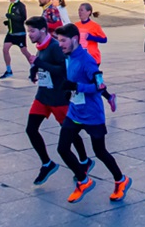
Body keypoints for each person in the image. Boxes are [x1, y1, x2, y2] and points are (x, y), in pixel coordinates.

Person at [54, 24, 132, 204]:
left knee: (100, 151)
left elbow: (100, 86)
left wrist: (76, 87)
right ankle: (83, 181)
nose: (60, 45)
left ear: (74, 39)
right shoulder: (69, 57)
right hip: (74, 112)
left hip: (92, 115)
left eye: (63, 41)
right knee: (62, 148)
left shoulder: (87, 60)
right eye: (59, 41)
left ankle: (121, 180)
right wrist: (70, 91)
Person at [23, 16, 93, 186]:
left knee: (70, 132)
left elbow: (62, 70)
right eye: (28, 31)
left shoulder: (55, 47)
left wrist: (40, 63)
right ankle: (47, 163)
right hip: (43, 96)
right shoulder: (41, 46)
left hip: (58, 97)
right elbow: (43, 65)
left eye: (32, 31)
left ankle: (84, 160)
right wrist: (34, 71)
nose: (29, 35)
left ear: (43, 30)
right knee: (31, 129)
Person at [76, 3, 117, 112]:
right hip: (80, 59)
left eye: (82, 10)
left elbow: (104, 39)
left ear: (89, 12)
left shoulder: (94, 26)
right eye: (79, 10)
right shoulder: (76, 25)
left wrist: (91, 37)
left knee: (94, 82)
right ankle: (107, 97)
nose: (79, 12)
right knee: (88, 82)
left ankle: (106, 98)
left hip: (93, 59)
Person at [0, 0, 28, 79]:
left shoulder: (21, 6)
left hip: (19, 33)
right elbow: (13, 19)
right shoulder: (11, 5)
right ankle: (8, 70)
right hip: (11, 33)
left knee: (24, 51)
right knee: (5, 50)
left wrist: (11, 16)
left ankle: (34, 67)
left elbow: (23, 18)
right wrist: (8, 22)